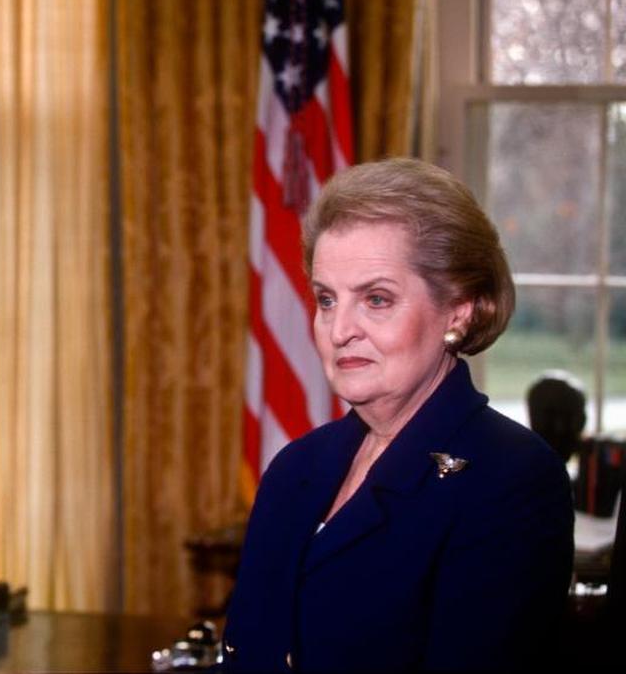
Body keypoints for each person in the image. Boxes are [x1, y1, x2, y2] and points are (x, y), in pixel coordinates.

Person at [222, 158, 574, 672]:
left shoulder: (511, 479)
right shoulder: (297, 467)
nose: (339, 329)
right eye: (326, 299)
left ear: (460, 311)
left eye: (376, 299)